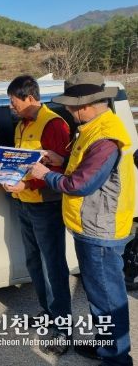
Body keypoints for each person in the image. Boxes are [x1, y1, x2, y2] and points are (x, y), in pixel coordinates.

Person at [30, 72, 135, 365]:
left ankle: (116, 359)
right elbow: (86, 169)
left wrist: (45, 174)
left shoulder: (104, 138)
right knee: (100, 297)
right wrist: (61, 160)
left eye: (71, 105)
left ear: (85, 105)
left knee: (107, 300)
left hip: (100, 231)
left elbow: (80, 184)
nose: (68, 110)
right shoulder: (93, 128)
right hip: (92, 226)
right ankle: (106, 348)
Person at [0, 75, 73, 355]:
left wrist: (27, 185)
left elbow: (60, 170)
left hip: (45, 205)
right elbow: (23, 162)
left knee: (53, 266)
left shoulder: (53, 124)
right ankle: (48, 312)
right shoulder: (23, 124)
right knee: (34, 261)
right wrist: (0, 168)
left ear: (30, 98)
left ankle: (62, 328)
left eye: (14, 102)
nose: (11, 107)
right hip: (24, 202)